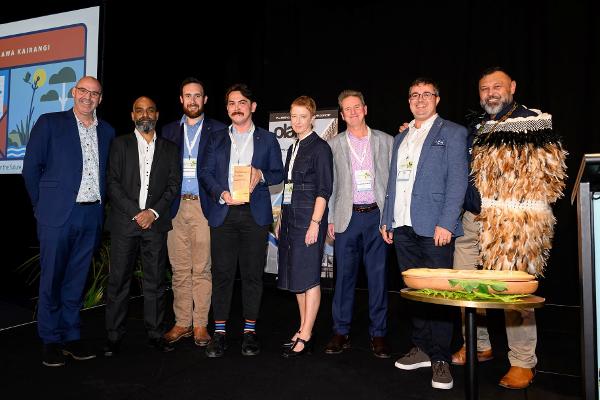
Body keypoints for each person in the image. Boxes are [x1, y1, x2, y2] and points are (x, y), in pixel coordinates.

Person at [451, 67, 567, 389]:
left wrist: (523, 219)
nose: (491, 93)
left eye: (497, 86)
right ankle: (479, 344)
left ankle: (522, 360)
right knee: (465, 286)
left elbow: (549, 178)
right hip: (472, 220)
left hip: (513, 224)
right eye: (485, 88)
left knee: (512, 292)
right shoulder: (475, 125)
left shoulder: (533, 122)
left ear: (512, 87)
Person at [380, 78, 468, 390]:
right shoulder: (401, 136)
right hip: (402, 226)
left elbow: (458, 182)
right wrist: (387, 218)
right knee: (415, 292)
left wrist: (446, 222)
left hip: (435, 228)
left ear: (437, 99)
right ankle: (421, 348)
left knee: (439, 294)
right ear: (408, 101)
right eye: (414, 95)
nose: (420, 100)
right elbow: (393, 181)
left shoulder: (454, 133)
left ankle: (441, 357)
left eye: (426, 95)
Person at [22, 76, 115, 367]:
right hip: (57, 215)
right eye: (83, 91)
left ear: (100, 99)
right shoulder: (50, 123)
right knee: (52, 278)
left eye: (95, 93)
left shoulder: (108, 132)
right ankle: (50, 339)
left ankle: (71, 335)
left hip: (91, 214)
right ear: (74, 93)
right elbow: (30, 169)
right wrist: (41, 207)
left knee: (76, 279)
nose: (88, 97)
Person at [199, 83, 284, 358]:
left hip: (255, 214)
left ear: (253, 107)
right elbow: (206, 173)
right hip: (224, 212)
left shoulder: (268, 140)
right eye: (231, 103)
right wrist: (221, 193)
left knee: (251, 276)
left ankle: (249, 332)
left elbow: (278, 173)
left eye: (242, 102)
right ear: (227, 109)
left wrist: (261, 174)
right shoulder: (215, 138)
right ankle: (220, 332)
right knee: (222, 275)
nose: (237, 107)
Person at [103, 96, 181, 355]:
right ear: (132, 115)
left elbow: (173, 186)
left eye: (149, 110)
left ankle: (156, 334)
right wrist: (138, 213)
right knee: (118, 282)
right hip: (126, 224)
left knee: (156, 282)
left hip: (155, 225)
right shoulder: (119, 144)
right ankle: (113, 336)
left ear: (157, 115)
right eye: (139, 110)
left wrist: (154, 213)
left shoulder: (170, 148)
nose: (144, 114)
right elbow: (112, 183)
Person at [325, 90, 393, 359]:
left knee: (378, 278)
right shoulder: (334, 145)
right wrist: (330, 217)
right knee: (343, 279)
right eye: (347, 109)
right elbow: (330, 186)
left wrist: (390, 219)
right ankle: (341, 331)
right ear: (341, 115)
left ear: (365, 109)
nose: (352, 112)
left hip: (377, 218)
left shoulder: (386, 141)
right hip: (347, 217)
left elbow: (393, 186)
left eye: (356, 107)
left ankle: (379, 334)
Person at [161, 78, 226, 347]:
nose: (192, 100)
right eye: (188, 96)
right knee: (179, 269)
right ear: (180, 100)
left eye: (197, 96)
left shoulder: (220, 130)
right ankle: (182, 322)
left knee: (201, 268)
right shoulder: (167, 131)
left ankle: (200, 324)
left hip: (204, 206)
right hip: (175, 207)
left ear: (205, 100)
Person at [275, 96, 333, 357]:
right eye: (293, 116)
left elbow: (324, 190)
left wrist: (315, 224)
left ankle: (307, 333)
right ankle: (303, 326)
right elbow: (288, 188)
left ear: (312, 118)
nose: (297, 121)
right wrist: (280, 219)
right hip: (290, 219)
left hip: (309, 221)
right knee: (297, 277)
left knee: (309, 278)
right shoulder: (292, 147)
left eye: (302, 116)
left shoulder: (320, 148)